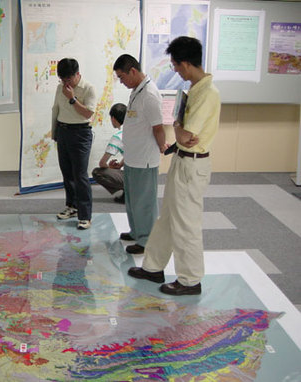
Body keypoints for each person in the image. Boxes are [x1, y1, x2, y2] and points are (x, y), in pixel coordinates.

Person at [128, 36, 221, 296]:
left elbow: (183, 133)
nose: (176, 71)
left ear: (187, 64)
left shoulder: (207, 94)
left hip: (193, 166)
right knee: (167, 218)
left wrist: (178, 128)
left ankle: (190, 280)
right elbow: (181, 136)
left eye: (176, 66)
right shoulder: (195, 89)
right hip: (182, 160)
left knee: (186, 224)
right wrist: (180, 131)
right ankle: (153, 267)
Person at [113, 54, 167, 254]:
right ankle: (136, 232)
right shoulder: (137, 90)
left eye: (122, 77)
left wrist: (162, 146)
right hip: (133, 157)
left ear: (133, 71)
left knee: (144, 202)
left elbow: (158, 127)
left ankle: (146, 241)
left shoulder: (150, 94)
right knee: (133, 199)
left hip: (144, 159)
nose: (121, 81)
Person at [52, 58, 97, 230]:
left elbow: (87, 113)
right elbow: (56, 109)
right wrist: (55, 132)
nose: (65, 83)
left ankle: (85, 215)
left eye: (68, 79)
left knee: (80, 175)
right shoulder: (59, 87)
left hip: (80, 133)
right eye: (62, 79)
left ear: (77, 74)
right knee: (66, 172)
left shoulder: (88, 88)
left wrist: (72, 98)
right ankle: (71, 206)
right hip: (63, 131)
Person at [91, 103, 126, 204]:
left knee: (97, 172)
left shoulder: (117, 137)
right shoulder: (135, 131)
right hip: (146, 175)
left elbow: (102, 163)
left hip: (132, 176)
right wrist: (120, 164)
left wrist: (110, 168)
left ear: (113, 118)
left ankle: (128, 190)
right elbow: (132, 154)